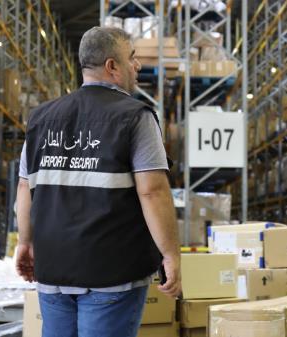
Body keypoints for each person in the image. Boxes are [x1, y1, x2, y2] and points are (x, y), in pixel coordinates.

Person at [15, 26, 181, 337]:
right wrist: (170, 254)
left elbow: (26, 188)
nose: (137, 65)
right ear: (112, 66)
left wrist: (25, 243)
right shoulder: (135, 117)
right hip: (111, 273)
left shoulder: (41, 119)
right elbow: (153, 192)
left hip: (53, 271)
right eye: (131, 58)